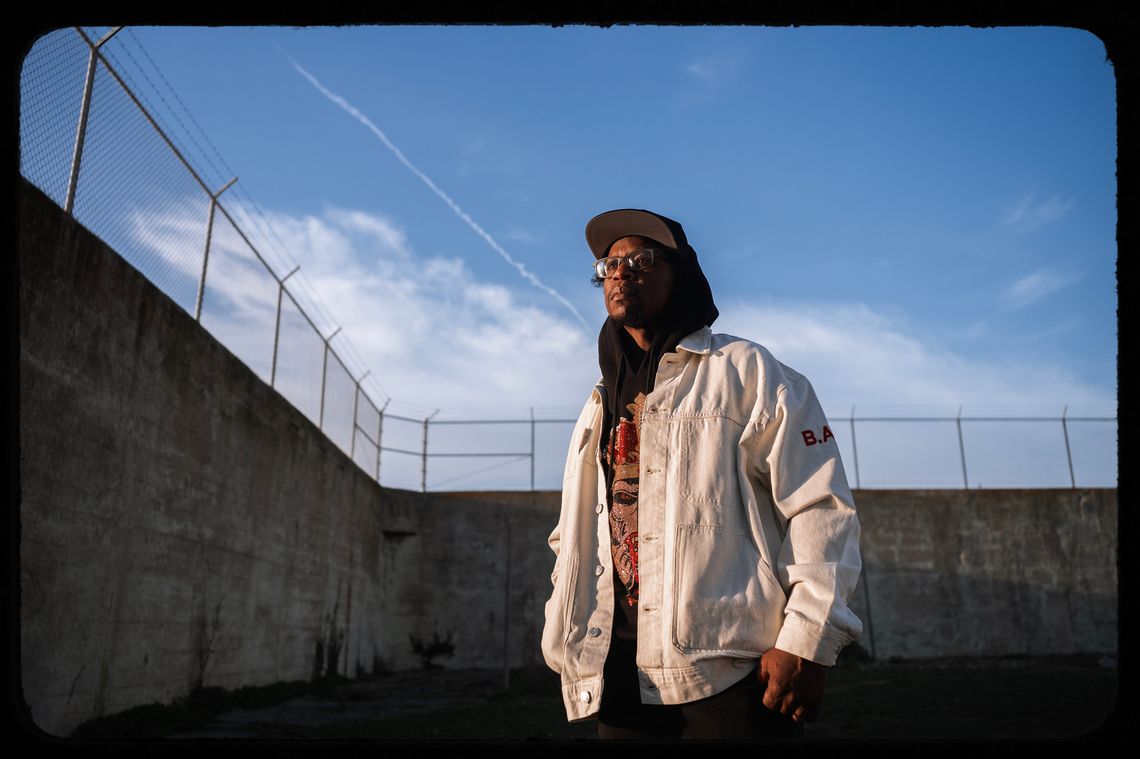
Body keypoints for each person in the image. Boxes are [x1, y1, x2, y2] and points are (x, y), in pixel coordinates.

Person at [541, 209, 863, 739]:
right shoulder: (596, 404)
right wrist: (562, 621)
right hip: (618, 676)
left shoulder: (747, 372)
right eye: (610, 264)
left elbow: (819, 506)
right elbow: (572, 535)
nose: (621, 273)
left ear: (681, 274)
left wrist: (806, 640)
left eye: (642, 261)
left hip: (732, 670)